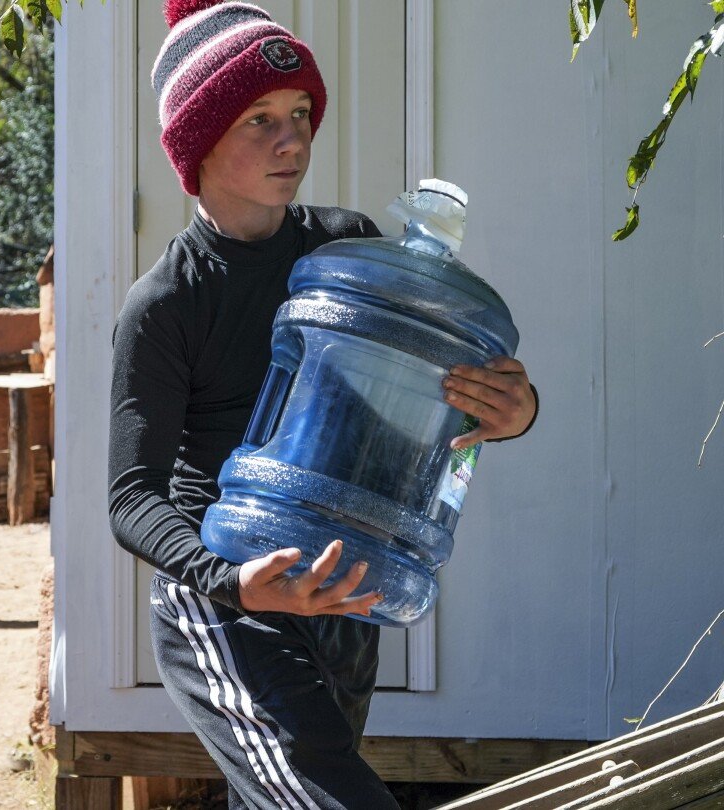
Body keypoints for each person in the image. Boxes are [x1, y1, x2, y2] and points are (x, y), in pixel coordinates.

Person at [109, 3, 540, 808]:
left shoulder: (344, 251)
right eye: (260, 120)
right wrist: (230, 580)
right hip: (229, 599)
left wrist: (508, 412)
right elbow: (130, 498)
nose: (294, 140)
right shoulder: (167, 303)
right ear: (198, 140)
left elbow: (415, 418)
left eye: (301, 114)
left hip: (342, 587)